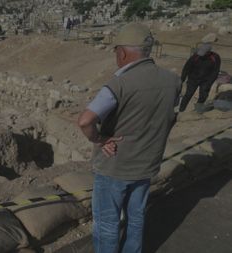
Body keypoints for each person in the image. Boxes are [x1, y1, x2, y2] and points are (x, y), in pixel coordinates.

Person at [78, 23, 181, 253]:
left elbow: (85, 121)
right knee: (136, 218)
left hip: (115, 168)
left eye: (116, 52)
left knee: (107, 224)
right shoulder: (172, 80)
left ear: (121, 52)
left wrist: (100, 140)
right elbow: (170, 119)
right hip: (147, 165)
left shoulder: (119, 84)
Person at [179, 43, 221, 112]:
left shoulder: (215, 57)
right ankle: (181, 110)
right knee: (188, 95)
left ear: (208, 52)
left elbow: (215, 72)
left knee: (203, 95)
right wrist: (182, 79)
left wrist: (209, 83)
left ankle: (197, 110)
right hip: (193, 79)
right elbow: (186, 68)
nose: (201, 55)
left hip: (206, 80)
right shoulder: (196, 56)